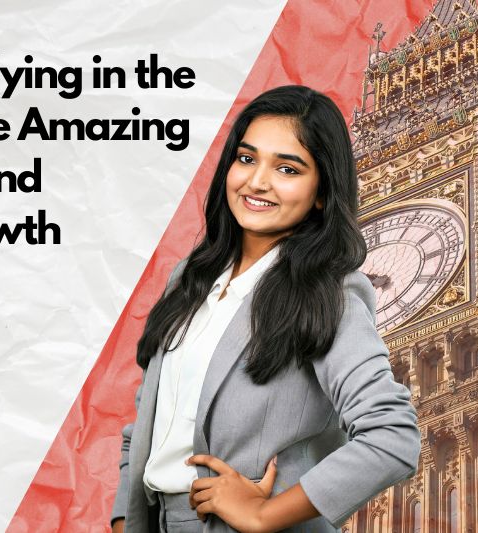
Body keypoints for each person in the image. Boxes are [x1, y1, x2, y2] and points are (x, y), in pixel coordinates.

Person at [109, 85, 421, 532]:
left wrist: (264, 514)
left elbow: (392, 435)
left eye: (287, 168)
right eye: (246, 158)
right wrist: (126, 522)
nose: (257, 182)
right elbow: (144, 425)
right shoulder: (189, 278)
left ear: (321, 192)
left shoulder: (327, 294)